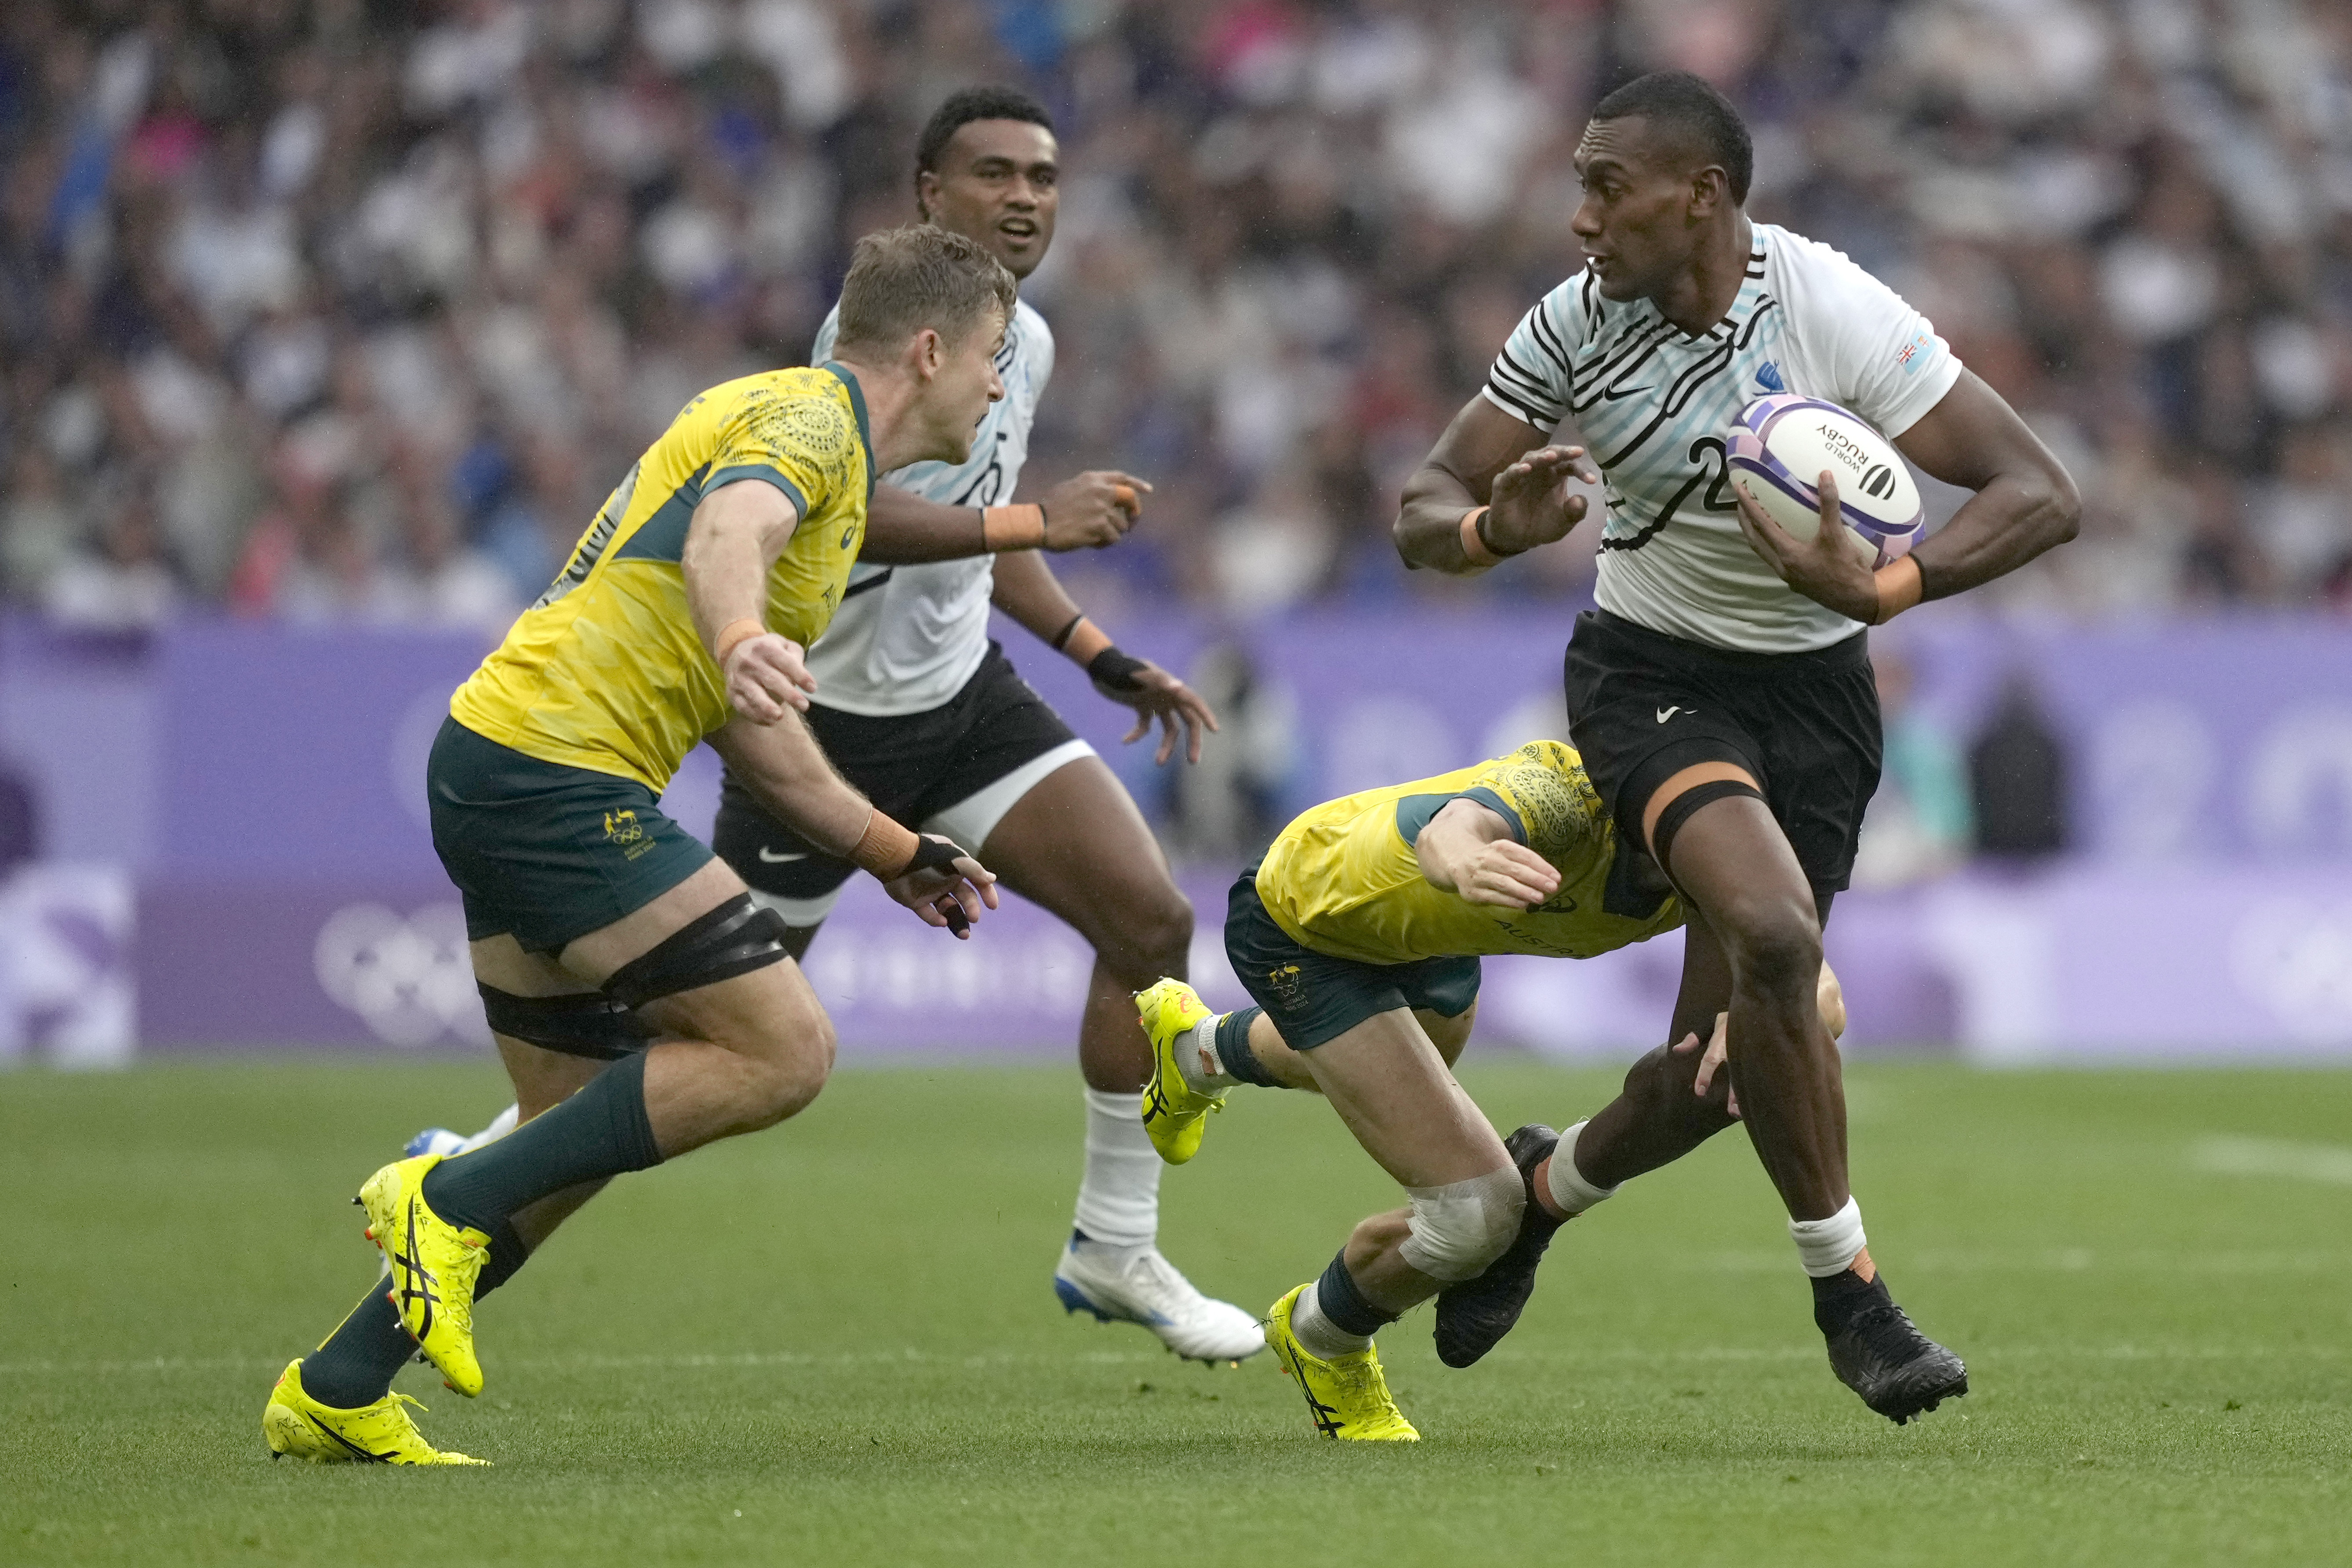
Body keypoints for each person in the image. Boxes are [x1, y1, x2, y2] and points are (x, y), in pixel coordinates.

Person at [411, 87, 1259, 1364]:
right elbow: (862, 517)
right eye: (993, 173)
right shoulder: (859, 353)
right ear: (928, 194)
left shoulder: (1019, 344)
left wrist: (1095, 649)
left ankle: (1116, 1244)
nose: (1026, 195)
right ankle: (474, 1178)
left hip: (963, 700)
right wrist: (1030, 524)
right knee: (706, 1048)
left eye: (1043, 174)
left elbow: (988, 519)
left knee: (1148, 920)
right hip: (815, 725)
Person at [262, 224, 1011, 1466]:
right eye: (991, 357)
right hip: (556, 770)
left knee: (564, 1132)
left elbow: (753, 733)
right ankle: (440, 1192)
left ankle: (337, 1386)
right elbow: (729, 541)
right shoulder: (813, 423)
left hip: (499, 758)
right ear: (929, 350)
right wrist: (736, 641)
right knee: (786, 1050)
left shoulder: (801, 446)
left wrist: (889, 846)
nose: (998, 386)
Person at [1392, 71, 2079, 1423]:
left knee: (1714, 1074)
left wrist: (1884, 593)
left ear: (1700, 198)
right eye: (1578, 185)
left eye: (1607, 187)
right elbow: (1424, 499)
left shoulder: (1831, 309)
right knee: (1775, 935)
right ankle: (1854, 1299)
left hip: (1817, 695)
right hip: (1650, 676)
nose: (1580, 217)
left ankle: (1539, 1193)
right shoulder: (1571, 329)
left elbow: (2042, 493)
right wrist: (1489, 535)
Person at [1136, 739, 1843, 1439]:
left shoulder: (1720, 861)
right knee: (1477, 1215)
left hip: (1425, 942)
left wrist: (1772, 1016)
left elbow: (1820, 990)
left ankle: (1199, 1052)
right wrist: (1466, 857)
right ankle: (1324, 1338)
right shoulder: (1571, 796)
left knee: (1390, 1063)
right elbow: (1457, 828)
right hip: (1303, 917)